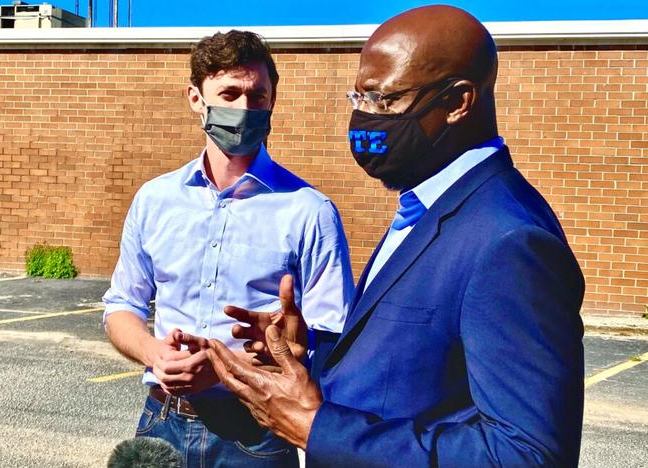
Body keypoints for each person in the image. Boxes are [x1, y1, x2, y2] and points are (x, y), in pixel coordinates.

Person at [206, 6, 585, 467]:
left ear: (458, 101)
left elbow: (526, 456)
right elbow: (416, 369)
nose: (365, 118)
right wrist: (313, 354)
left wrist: (317, 427)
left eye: (384, 101)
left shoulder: (509, 241)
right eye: (359, 98)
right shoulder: (429, 204)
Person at [102, 30, 354, 468]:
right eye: (229, 93)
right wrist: (153, 353)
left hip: (255, 433)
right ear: (196, 98)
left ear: (273, 100)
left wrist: (222, 366)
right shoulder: (154, 199)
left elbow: (331, 336)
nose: (244, 109)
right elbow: (122, 305)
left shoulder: (309, 211)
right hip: (160, 422)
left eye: (258, 96)